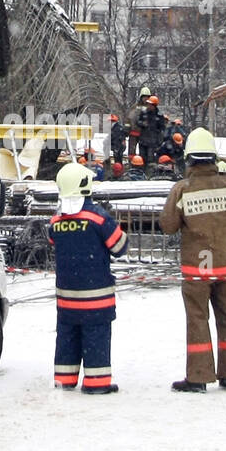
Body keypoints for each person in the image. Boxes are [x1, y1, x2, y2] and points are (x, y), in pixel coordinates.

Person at [159, 128, 226, 393]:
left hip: (197, 268)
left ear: (189, 158)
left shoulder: (183, 189)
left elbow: (168, 226)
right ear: (214, 157)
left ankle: (199, 376)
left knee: (197, 318)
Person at [47, 162, 128, 393]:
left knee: (67, 339)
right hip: (96, 298)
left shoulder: (55, 222)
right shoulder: (99, 218)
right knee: (96, 338)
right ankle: (96, 383)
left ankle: (64, 379)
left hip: (66, 299)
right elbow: (120, 246)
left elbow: (53, 240)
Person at [136, 96, 167, 162]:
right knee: (142, 159)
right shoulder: (144, 112)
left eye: (150, 104)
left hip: (152, 142)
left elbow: (162, 128)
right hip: (143, 140)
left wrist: (159, 141)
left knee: (150, 160)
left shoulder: (159, 115)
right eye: (148, 104)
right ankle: (142, 171)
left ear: (154, 105)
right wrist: (142, 123)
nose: (148, 106)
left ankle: (149, 172)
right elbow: (137, 122)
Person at [127, 87, 153, 160]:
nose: (146, 99)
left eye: (147, 97)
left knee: (144, 152)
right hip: (133, 133)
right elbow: (129, 118)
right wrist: (127, 129)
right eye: (144, 97)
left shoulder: (150, 108)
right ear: (141, 97)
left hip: (144, 134)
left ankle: (142, 165)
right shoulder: (135, 107)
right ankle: (132, 165)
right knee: (131, 152)